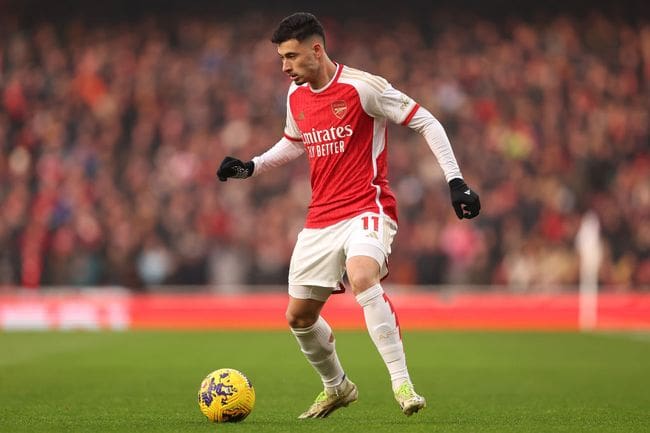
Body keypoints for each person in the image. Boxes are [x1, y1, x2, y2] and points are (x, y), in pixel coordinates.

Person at [217, 12, 480, 419]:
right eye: (281, 58)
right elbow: (294, 142)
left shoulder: (363, 87)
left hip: (367, 207)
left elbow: (425, 120)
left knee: (361, 275)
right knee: (299, 317)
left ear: (316, 49)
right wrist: (251, 166)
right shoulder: (295, 96)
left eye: (290, 56)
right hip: (321, 217)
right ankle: (337, 386)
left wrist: (455, 180)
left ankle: (402, 382)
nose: (284, 66)